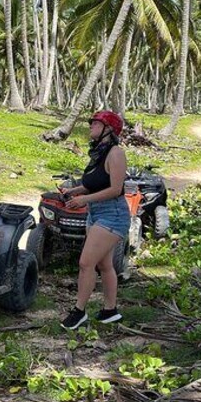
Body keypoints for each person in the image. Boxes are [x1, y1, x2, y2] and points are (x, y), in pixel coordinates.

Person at [59, 110, 130, 330]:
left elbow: (116, 189)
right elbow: (95, 183)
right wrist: (74, 191)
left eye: (95, 123)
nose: (90, 126)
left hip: (113, 214)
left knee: (85, 263)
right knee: (104, 264)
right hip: (97, 212)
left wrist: (83, 200)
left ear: (108, 128)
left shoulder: (116, 153)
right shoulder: (99, 153)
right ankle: (110, 310)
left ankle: (79, 311)